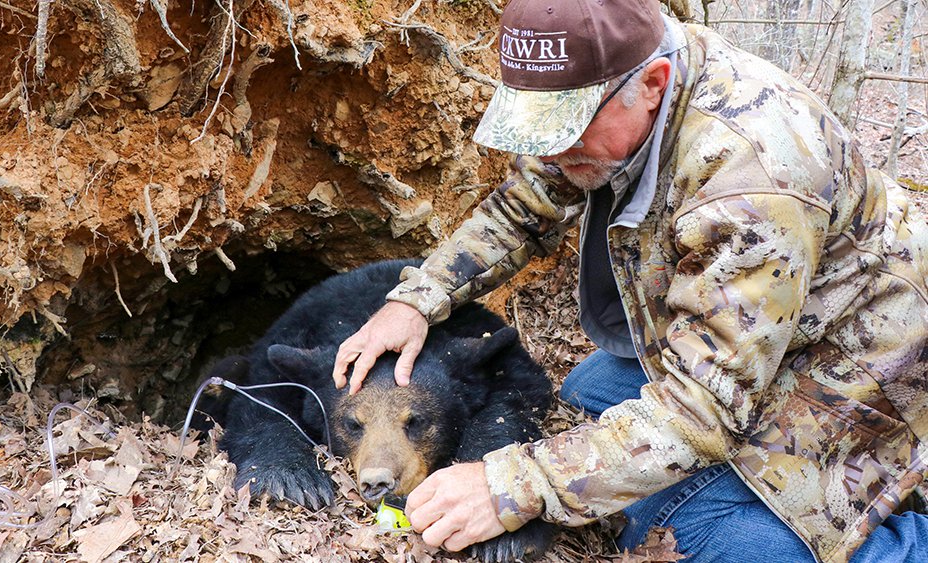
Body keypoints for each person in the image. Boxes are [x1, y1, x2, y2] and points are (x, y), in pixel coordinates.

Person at [332, 0, 928, 561]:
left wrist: (510, 485)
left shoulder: (752, 177)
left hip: (865, 361)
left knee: (689, 530)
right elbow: (528, 201)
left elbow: (703, 412)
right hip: (770, 325)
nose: (555, 148)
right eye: (540, 125)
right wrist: (415, 300)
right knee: (587, 397)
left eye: (568, 126)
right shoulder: (616, 87)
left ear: (653, 84)